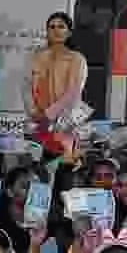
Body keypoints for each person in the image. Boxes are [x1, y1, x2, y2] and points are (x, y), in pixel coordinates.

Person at [27, 11, 88, 156]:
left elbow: (73, 93)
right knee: (38, 161)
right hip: (39, 123)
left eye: (61, 26)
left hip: (66, 122)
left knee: (64, 163)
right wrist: (34, 113)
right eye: (52, 27)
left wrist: (48, 115)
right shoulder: (36, 58)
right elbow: (27, 87)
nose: (56, 30)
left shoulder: (77, 59)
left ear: (69, 32)